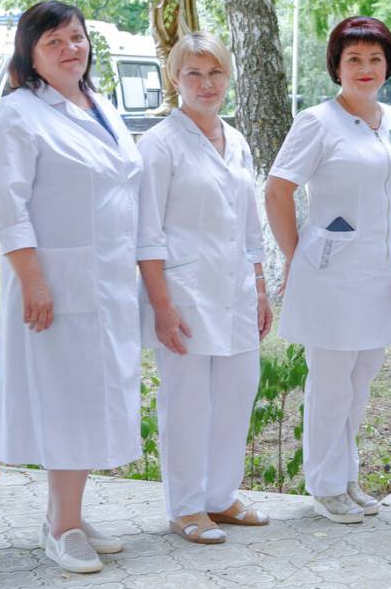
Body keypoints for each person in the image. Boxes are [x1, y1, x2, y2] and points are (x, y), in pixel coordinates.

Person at [0, 0, 143, 574]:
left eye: (76, 37)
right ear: (30, 54)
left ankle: (67, 512)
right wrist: (33, 281)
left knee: (93, 400)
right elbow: (7, 208)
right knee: (68, 402)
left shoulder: (99, 105)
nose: (70, 49)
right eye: (54, 41)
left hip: (108, 282)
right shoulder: (16, 116)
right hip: (55, 283)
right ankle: (62, 529)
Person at [265, 17, 391, 524]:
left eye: (375, 59)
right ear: (336, 66)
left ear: (388, 65)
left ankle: (346, 476)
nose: (365, 68)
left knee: (361, 377)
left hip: (381, 272)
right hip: (331, 273)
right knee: (331, 380)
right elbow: (278, 189)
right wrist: (297, 255)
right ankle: (325, 485)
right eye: (354, 59)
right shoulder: (317, 122)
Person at [136, 32, 272, 544]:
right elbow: (146, 233)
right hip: (184, 292)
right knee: (187, 402)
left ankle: (221, 496)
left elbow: (250, 225)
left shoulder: (236, 140)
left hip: (236, 290)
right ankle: (186, 507)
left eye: (215, 72)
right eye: (193, 73)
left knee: (237, 393)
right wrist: (161, 306)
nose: (206, 83)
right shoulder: (158, 145)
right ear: (175, 78)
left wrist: (260, 288)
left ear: (228, 76)